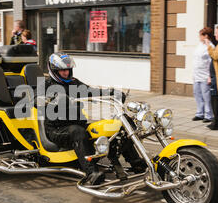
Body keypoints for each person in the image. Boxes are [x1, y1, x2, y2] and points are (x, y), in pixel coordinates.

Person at [38, 53, 145, 185]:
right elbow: (36, 101)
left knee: (118, 128)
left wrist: (112, 93)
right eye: (62, 70)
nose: (66, 72)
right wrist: (53, 100)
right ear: (54, 71)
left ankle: (136, 162)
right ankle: (91, 173)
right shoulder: (45, 85)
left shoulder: (74, 83)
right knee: (77, 131)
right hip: (57, 130)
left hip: (78, 124)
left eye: (68, 69)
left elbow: (93, 91)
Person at [192, 27, 215, 123]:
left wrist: (210, 76)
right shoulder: (200, 45)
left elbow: (211, 62)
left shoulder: (211, 47)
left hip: (205, 75)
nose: (199, 37)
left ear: (206, 36)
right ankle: (199, 113)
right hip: (197, 74)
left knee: (206, 96)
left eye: (200, 35)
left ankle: (209, 115)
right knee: (197, 94)